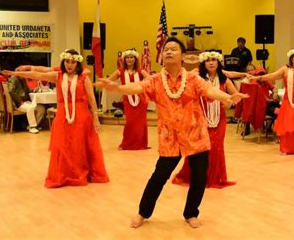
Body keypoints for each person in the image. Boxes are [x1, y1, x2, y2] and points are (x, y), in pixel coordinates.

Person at [95, 37, 247, 229]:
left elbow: (209, 91)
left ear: (182, 56)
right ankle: (143, 213)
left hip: (195, 135)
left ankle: (191, 213)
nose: (168, 51)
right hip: (170, 138)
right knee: (159, 176)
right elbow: (138, 87)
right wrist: (117, 88)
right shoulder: (156, 80)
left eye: (173, 49)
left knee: (199, 177)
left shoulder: (193, 79)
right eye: (166, 49)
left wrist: (228, 97)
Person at [2, 49, 109, 188]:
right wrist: (15, 73)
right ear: (63, 62)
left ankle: (79, 172)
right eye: (67, 61)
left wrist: (96, 117)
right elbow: (38, 74)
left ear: (77, 63)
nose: (70, 65)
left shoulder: (83, 77)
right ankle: (65, 173)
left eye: (73, 62)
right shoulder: (58, 75)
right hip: (63, 116)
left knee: (79, 146)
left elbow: (91, 98)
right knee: (63, 146)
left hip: (82, 116)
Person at [172, 51, 238, 189]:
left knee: (216, 148)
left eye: (214, 60)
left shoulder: (224, 80)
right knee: (199, 149)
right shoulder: (197, 79)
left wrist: (229, 102)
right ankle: (196, 177)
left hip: (219, 119)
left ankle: (214, 178)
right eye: (208, 60)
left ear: (218, 62)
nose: (211, 62)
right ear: (203, 63)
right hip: (200, 120)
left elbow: (234, 97)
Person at [251, 49, 294, 154]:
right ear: (291, 59)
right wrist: (259, 78)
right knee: (288, 124)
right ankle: (288, 148)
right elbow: (272, 76)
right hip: (288, 102)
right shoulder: (285, 69)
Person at [106, 49, 149, 150]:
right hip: (127, 100)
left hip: (141, 100)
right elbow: (108, 81)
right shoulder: (120, 71)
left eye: (132, 57)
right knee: (129, 121)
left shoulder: (140, 70)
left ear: (135, 59)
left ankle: (140, 144)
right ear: (124, 60)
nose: (129, 59)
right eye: (127, 58)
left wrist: (142, 85)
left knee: (140, 122)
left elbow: (150, 79)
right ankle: (127, 143)